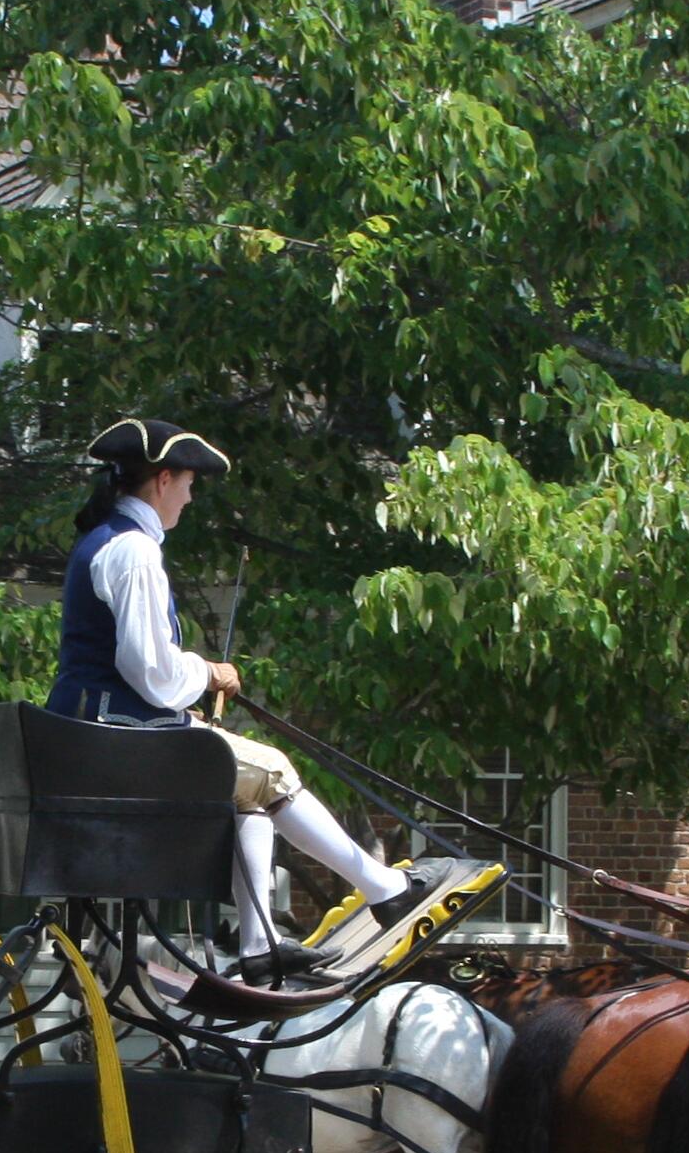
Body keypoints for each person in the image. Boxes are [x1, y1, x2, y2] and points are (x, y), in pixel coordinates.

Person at [49, 418, 468, 976]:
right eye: (190, 483)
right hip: (117, 746)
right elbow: (150, 670)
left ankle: (259, 945)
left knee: (248, 794)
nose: (191, 496)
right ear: (164, 479)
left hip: (96, 737)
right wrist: (209, 672)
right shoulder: (134, 553)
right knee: (271, 770)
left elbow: (128, 673)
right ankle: (386, 887)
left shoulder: (103, 543)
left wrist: (176, 705)